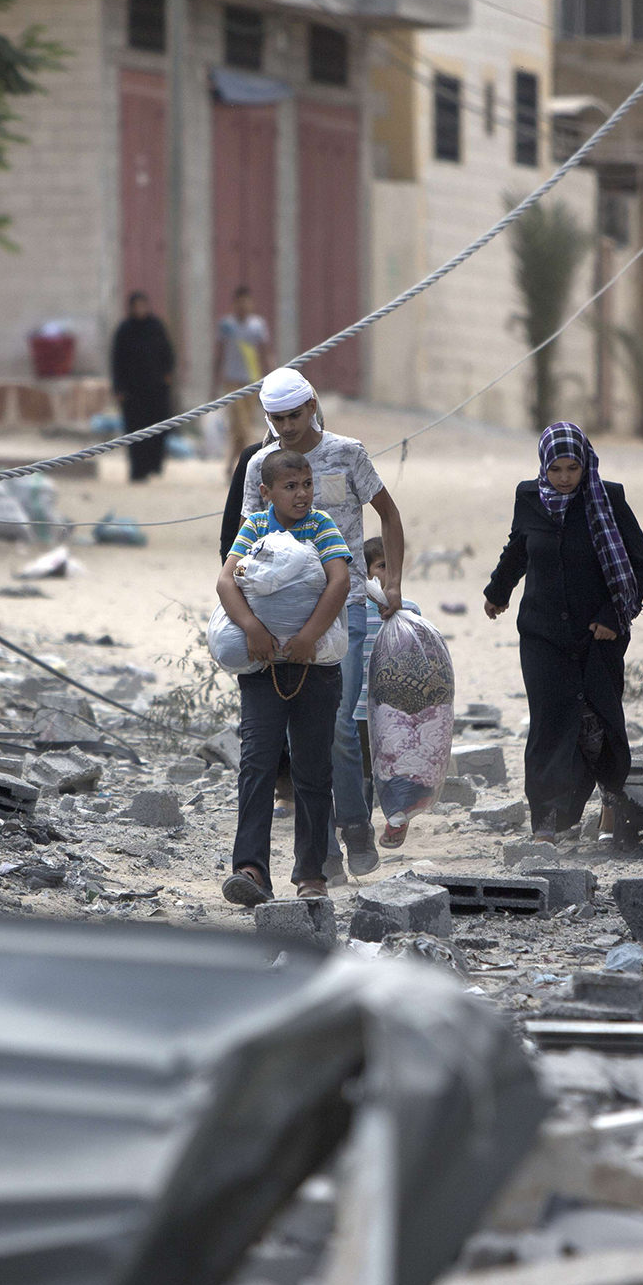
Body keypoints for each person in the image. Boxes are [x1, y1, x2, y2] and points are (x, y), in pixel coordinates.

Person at [240, 369, 405, 879]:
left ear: (313, 405)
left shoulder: (348, 453)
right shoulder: (258, 466)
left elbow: (389, 515)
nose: (288, 427)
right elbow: (247, 538)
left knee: (337, 722)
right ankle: (323, 851)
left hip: (346, 604)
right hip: (281, 614)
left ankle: (352, 824)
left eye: (295, 415)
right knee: (293, 732)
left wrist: (393, 582)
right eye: (278, 418)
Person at [483, 423, 643, 843]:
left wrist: (614, 616)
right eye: (555, 468)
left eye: (572, 468)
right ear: (543, 465)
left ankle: (610, 802)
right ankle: (548, 820)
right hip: (542, 632)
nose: (563, 477)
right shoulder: (528, 496)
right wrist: (498, 592)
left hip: (598, 636)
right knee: (550, 722)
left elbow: (637, 560)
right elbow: (519, 547)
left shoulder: (608, 498)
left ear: (585, 464)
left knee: (599, 722)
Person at [217, 450, 352, 905]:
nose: (302, 494)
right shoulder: (256, 526)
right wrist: (253, 629)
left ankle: (310, 873)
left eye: (307, 484)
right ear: (266, 492)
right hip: (262, 668)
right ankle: (250, 869)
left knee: (313, 769)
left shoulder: (322, 526)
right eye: (291, 487)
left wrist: (310, 636)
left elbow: (339, 582)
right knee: (257, 762)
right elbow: (226, 582)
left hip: (315, 670)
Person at [354, 536, 420, 839]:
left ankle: (397, 821)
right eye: (382, 566)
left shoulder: (410, 611)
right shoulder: (353, 610)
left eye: (394, 567)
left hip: (395, 710)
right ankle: (361, 827)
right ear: (366, 573)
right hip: (358, 708)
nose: (390, 573)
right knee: (362, 772)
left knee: (395, 769)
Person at [110, 292, 175, 483]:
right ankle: (138, 470)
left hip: (156, 391)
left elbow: (168, 354)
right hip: (132, 394)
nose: (139, 310)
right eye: (136, 306)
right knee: (135, 433)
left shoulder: (156, 327)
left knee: (158, 430)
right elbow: (117, 361)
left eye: (142, 305)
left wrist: (167, 376)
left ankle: (154, 465)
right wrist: (119, 389)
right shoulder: (124, 330)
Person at [215, 287, 272, 466]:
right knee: (242, 426)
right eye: (239, 302)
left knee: (243, 427)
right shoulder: (226, 325)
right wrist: (214, 382)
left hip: (252, 381)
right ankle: (248, 464)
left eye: (246, 301)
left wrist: (271, 377)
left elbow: (265, 353)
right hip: (232, 382)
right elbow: (219, 354)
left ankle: (232, 464)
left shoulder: (257, 325)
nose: (243, 306)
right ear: (234, 303)